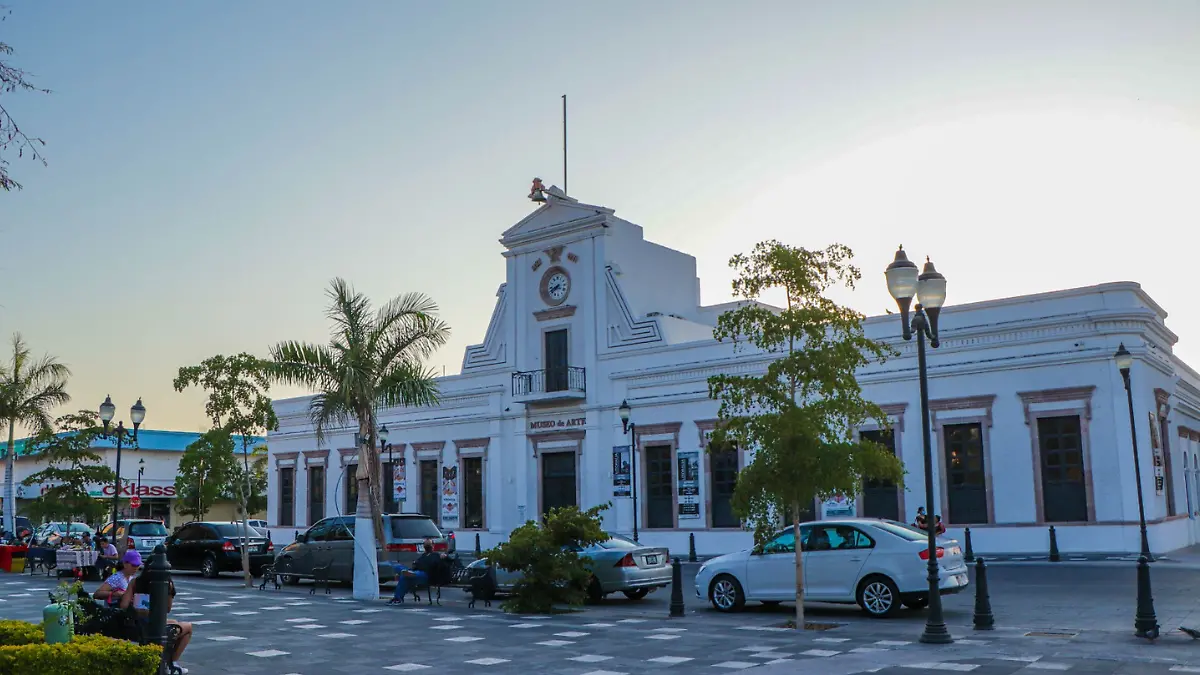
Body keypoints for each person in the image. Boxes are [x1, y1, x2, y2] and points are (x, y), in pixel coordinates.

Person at [119, 565, 192, 673]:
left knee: (175, 623)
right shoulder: (167, 584)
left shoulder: (135, 582)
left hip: (134, 625)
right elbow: (167, 609)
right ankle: (172, 663)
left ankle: (169, 663)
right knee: (188, 627)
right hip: (154, 627)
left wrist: (137, 607)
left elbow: (123, 606)